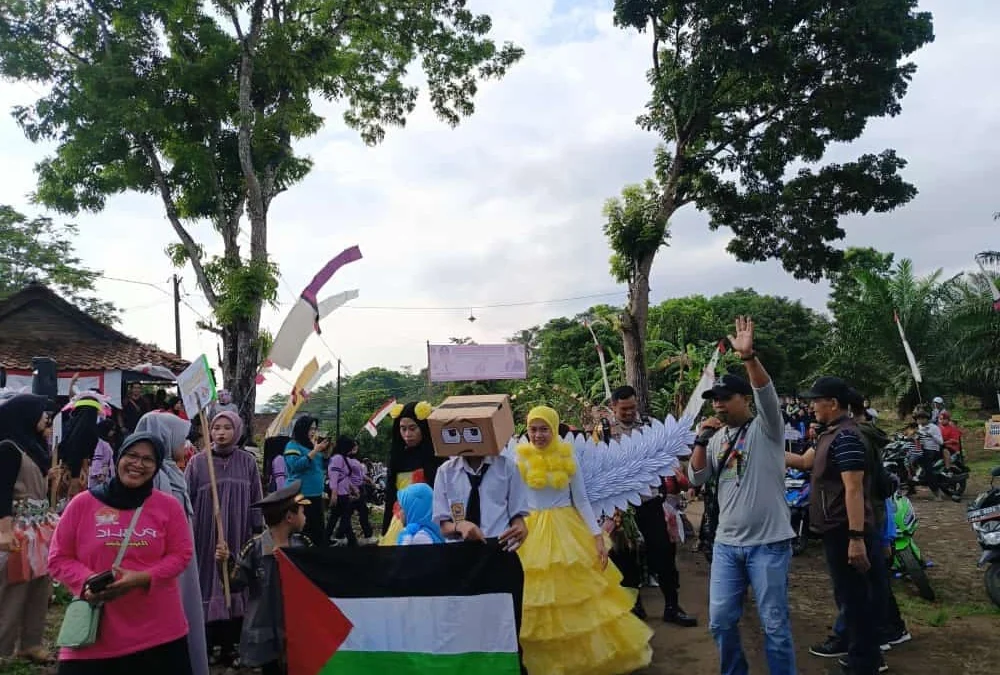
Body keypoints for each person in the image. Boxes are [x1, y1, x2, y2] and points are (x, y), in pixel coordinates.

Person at [689, 317, 797, 675]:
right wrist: (702, 440)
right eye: (713, 400)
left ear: (742, 399)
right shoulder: (717, 439)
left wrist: (748, 358)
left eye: (724, 399)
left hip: (768, 544)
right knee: (720, 621)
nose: (718, 405)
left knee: (774, 626)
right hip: (726, 546)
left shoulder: (767, 428)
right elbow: (696, 477)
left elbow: (766, 393)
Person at [515, 405, 652, 675]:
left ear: (554, 430)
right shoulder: (519, 460)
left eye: (544, 429)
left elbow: (581, 500)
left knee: (577, 598)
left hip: (567, 533)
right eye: (533, 429)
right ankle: (546, 661)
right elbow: (514, 501)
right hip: (532, 534)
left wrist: (596, 536)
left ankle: (583, 661)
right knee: (538, 600)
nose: (539, 435)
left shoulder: (569, 458)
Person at [48, 433, 194, 675]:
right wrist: (88, 581)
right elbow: (58, 557)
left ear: (157, 466)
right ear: (118, 458)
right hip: (96, 631)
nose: (138, 464)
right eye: (132, 455)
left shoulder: (168, 507)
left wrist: (144, 577)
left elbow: (181, 554)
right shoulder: (82, 504)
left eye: (148, 459)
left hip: (158, 631)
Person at [800, 377, 885, 675]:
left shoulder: (846, 437)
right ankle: (858, 650)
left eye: (815, 400)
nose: (811, 406)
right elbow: (803, 462)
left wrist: (856, 537)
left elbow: (854, 489)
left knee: (855, 596)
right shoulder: (830, 433)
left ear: (833, 403)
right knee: (848, 594)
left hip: (844, 529)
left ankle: (866, 661)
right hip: (836, 528)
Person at [609, 384, 697, 627]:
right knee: (625, 556)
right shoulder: (603, 432)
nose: (629, 413)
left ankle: (672, 605)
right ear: (613, 407)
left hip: (649, 500)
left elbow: (667, 457)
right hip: (620, 506)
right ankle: (634, 606)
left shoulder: (649, 426)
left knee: (663, 553)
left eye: (633, 408)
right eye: (624, 409)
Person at [134, 412, 211, 675]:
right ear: (167, 440)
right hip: (165, 563)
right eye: (182, 439)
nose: (187, 445)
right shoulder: (156, 478)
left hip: (181, 560)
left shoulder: (172, 473)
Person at [186, 411, 263, 668]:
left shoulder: (248, 462)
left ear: (237, 431)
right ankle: (207, 643)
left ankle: (231, 645)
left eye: (227, 427)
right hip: (205, 534)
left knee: (234, 581)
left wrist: (254, 528)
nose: (220, 432)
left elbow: (256, 498)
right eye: (216, 427)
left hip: (238, 532)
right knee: (208, 581)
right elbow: (187, 501)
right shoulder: (198, 462)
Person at [215, 481, 312, 675]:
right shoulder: (255, 548)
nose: (305, 517)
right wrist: (224, 563)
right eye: (302, 512)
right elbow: (234, 585)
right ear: (289, 517)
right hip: (266, 630)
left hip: (297, 629)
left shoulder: (303, 546)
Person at [0, 394, 58, 664]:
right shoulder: (9, 448)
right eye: (40, 411)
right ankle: (4, 648)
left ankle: (31, 643)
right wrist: (5, 531)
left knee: (39, 586)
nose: (46, 417)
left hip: (39, 528)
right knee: (14, 588)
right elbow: (1, 492)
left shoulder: (34, 446)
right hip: (19, 529)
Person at [431, 429, 530, 548]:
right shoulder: (445, 472)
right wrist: (459, 526)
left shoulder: (507, 468)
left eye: (473, 432)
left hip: (498, 545)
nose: (467, 439)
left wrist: (519, 527)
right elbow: (443, 526)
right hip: (458, 549)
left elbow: (516, 516)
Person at [380, 401, 442, 545]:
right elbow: (390, 494)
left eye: (413, 428)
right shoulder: (397, 457)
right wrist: (386, 526)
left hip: (430, 521)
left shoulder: (436, 457)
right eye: (403, 429)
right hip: (400, 518)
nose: (407, 434)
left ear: (423, 428)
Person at [282, 416, 330, 547]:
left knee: (318, 530)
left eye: (315, 429)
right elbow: (296, 466)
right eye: (310, 429)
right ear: (302, 429)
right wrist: (315, 451)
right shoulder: (292, 445)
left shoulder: (312, 446)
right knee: (303, 530)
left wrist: (324, 454)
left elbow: (320, 467)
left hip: (316, 495)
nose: (313, 432)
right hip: (300, 494)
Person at [325, 436, 361, 546]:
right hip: (340, 494)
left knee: (336, 518)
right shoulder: (338, 458)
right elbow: (334, 477)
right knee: (344, 518)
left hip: (343, 492)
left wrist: (353, 488)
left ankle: (327, 539)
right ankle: (351, 541)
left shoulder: (342, 458)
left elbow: (344, 477)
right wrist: (334, 494)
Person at [913, 407, 944, 499]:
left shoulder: (934, 428)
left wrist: (932, 435)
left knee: (928, 470)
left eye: (922, 418)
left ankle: (937, 493)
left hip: (932, 450)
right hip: (920, 449)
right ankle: (911, 487)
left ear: (927, 419)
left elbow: (941, 442)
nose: (920, 420)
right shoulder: (918, 428)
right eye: (918, 418)